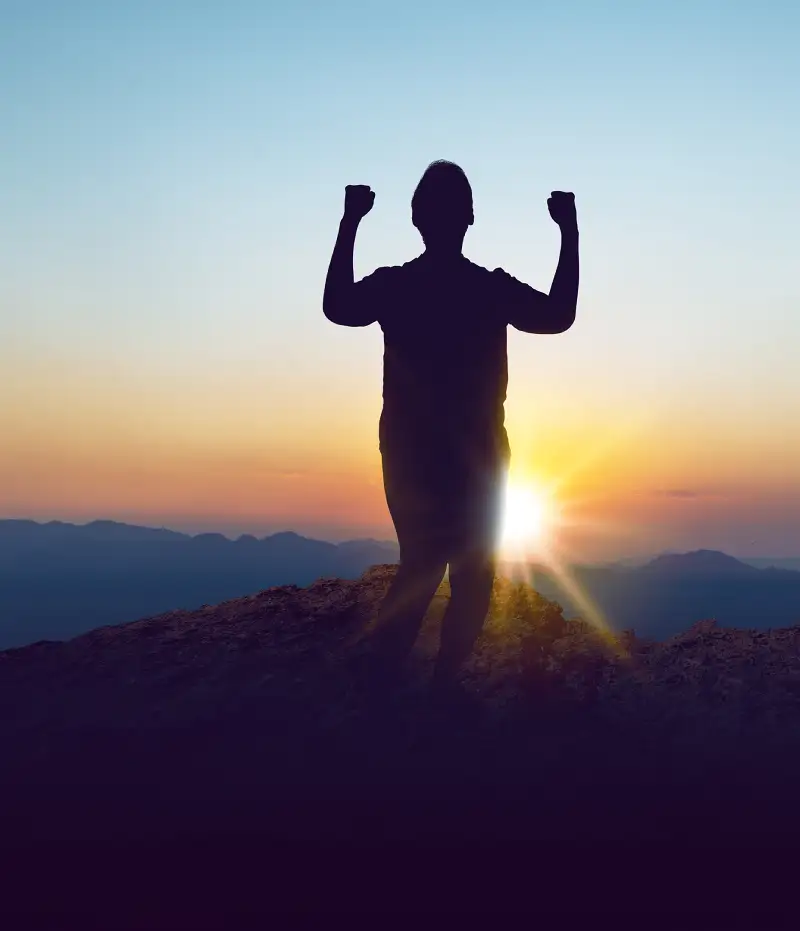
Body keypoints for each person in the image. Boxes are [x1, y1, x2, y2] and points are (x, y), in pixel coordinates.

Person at [323, 160, 579, 692]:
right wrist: (568, 232)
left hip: (410, 449)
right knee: (472, 572)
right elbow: (558, 315)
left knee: (421, 562)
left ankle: (387, 681)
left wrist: (350, 221)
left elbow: (338, 306)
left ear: (417, 218)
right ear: (469, 218)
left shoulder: (397, 286)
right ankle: (442, 681)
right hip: (479, 452)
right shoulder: (489, 289)